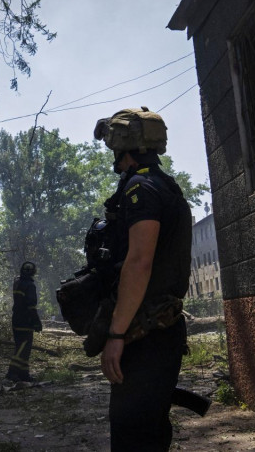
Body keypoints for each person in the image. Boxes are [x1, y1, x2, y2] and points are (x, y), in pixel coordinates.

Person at [93, 107, 193, 452]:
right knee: (148, 430)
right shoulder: (164, 186)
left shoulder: (141, 189)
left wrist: (117, 334)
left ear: (124, 146)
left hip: (145, 331)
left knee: (132, 432)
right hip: (159, 329)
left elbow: (139, 263)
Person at [6, 260, 42, 382]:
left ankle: (23, 374)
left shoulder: (17, 282)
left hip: (16, 318)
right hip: (25, 321)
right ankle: (12, 372)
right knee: (23, 348)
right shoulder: (30, 285)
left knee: (23, 348)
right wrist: (37, 321)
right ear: (33, 272)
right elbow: (31, 306)